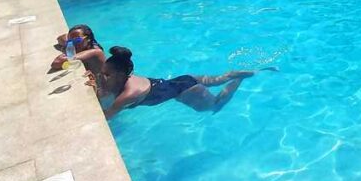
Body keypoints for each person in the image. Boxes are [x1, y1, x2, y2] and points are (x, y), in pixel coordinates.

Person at [89, 46, 268, 119]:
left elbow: (105, 116)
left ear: (121, 75)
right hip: (183, 80)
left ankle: (237, 79)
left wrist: (97, 88)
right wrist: (99, 84)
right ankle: (230, 75)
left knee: (215, 106)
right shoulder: (126, 77)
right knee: (217, 80)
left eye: (107, 74)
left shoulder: (129, 94)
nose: (102, 76)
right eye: (103, 73)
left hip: (186, 90)